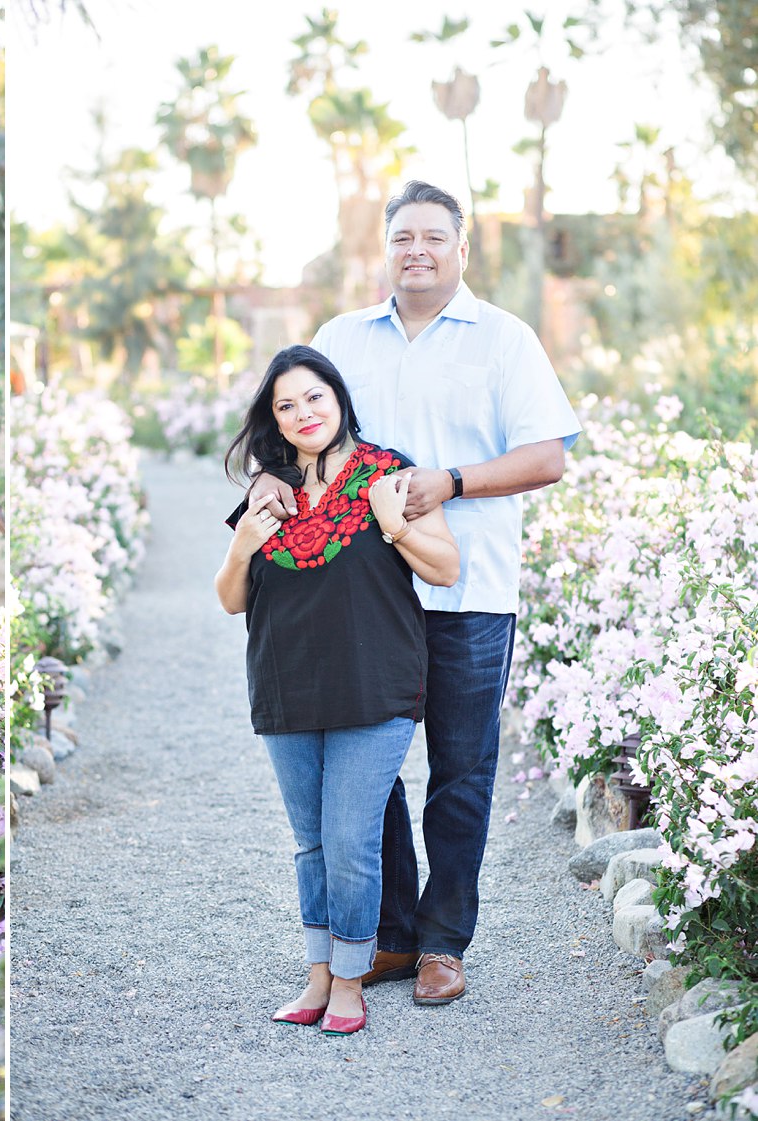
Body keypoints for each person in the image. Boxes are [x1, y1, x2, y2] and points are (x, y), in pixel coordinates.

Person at [250, 181, 581, 1005]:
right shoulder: (341, 338)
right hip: (359, 603)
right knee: (369, 776)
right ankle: (389, 932)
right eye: (403, 237)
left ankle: (442, 943)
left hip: (467, 593)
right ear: (385, 248)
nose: (418, 250)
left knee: (462, 772)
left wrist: (452, 481)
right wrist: (271, 490)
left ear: (462, 250)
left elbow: (547, 456)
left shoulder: (504, 340)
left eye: (435, 236)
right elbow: (297, 429)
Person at [216, 345, 459, 1035]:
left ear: (339, 397)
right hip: (285, 685)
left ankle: (350, 978)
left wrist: (395, 522)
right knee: (311, 843)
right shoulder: (270, 491)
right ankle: (318, 972)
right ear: (275, 419)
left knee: (351, 840)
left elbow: (445, 567)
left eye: (314, 396)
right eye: (286, 404)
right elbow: (231, 598)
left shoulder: (390, 474)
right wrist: (241, 546)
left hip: (375, 687)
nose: (303, 413)